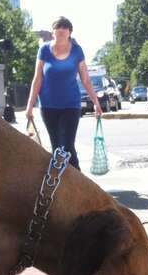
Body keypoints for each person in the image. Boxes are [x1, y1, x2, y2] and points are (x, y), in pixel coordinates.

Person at [25, 16, 102, 170]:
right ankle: (60, 186)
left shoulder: (76, 51)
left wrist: (96, 103)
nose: (61, 30)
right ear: (53, 32)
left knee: (67, 146)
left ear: (70, 32)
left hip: (70, 106)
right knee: (56, 148)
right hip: (48, 106)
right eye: (57, 27)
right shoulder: (44, 50)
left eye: (64, 27)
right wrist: (29, 106)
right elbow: (37, 79)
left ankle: (78, 183)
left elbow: (85, 79)